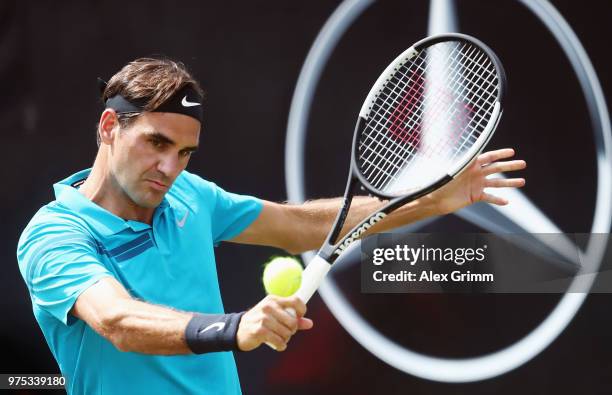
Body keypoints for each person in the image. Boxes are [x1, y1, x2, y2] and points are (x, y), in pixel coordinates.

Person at [16, 57, 526, 395]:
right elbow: (118, 322)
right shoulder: (54, 235)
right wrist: (237, 328)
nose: (171, 167)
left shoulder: (189, 195)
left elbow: (299, 226)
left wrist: (431, 201)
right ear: (109, 127)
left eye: (185, 152)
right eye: (157, 143)